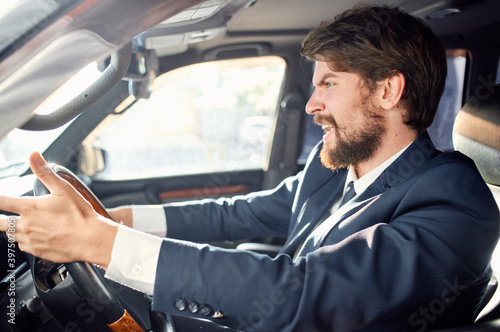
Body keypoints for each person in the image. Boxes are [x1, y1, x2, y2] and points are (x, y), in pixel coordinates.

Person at [1, 4, 499, 332]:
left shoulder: (456, 201)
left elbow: (308, 291)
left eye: (328, 84)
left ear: (388, 91)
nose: (311, 104)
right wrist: (110, 221)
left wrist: (99, 244)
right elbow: (245, 214)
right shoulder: (336, 164)